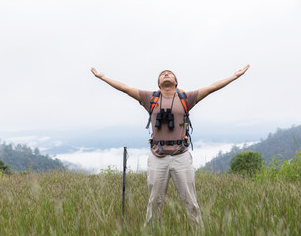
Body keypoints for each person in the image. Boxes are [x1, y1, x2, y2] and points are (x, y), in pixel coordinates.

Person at [91, 65, 250, 226]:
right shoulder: (150, 98)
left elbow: (211, 88)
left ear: (176, 82)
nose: (166, 74)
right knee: (154, 202)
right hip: (157, 157)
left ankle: (198, 231)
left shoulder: (186, 98)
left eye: (170, 74)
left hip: (181, 156)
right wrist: (103, 77)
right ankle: (152, 231)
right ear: (159, 84)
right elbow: (125, 88)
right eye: (162, 74)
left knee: (190, 201)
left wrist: (234, 77)